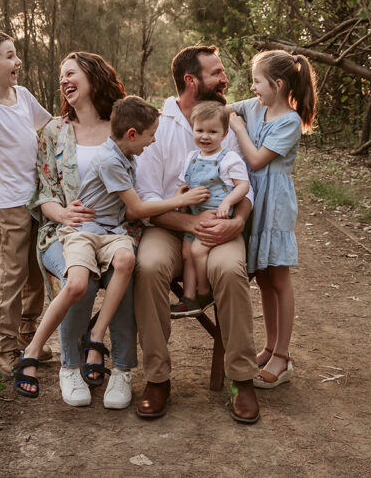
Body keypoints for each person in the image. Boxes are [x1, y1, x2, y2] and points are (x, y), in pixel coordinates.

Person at [16, 96, 209, 399]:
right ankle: (33, 349)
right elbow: (136, 207)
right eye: (151, 134)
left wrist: (173, 194)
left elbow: (129, 214)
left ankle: (96, 335)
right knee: (78, 284)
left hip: (113, 233)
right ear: (132, 135)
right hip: (84, 232)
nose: (154, 140)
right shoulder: (109, 160)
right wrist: (183, 201)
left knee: (125, 261)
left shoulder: (127, 158)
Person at [133, 45, 261, 424]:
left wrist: (237, 222)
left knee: (230, 270)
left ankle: (242, 378)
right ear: (192, 80)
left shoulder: (228, 120)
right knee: (149, 266)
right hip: (170, 225)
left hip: (220, 225)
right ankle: (157, 378)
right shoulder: (157, 124)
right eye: (217, 73)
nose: (225, 79)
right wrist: (188, 223)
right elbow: (148, 198)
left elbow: (245, 185)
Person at [29, 52, 140, 409]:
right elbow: (42, 192)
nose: (63, 81)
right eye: (61, 76)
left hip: (113, 231)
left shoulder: (121, 128)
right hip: (64, 233)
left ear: (93, 77)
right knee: (85, 279)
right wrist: (62, 213)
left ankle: (121, 370)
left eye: (71, 73)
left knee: (125, 267)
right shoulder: (53, 132)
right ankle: (70, 366)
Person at [229, 49, 318, 389]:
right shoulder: (255, 107)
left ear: (278, 84)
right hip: (254, 201)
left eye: (257, 82)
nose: (252, 89)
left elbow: (255, 161)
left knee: (278, 277)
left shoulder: (289, 122)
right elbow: (221, 110)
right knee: (263, 277)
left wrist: (237, 127)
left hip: (275, 203)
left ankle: (282, 355)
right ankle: (268, 346)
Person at [0, 31, 52, 379]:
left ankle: (28, 334)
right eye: (10, 57)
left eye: (15, 55)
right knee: (12, 277)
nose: (17, 62)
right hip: (7, 206)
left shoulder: (23, 96)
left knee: (35, 274)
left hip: (35, 199)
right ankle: (2, 348)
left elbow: (47, 126)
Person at [170, 101, 250, 318]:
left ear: (224, 134)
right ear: (193, 129)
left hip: (216, 215)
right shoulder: (192, 157)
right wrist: (180, 197)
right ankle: (188, 299)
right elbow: (184, 184)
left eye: (212, 132)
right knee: (187, 253)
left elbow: (243, 185)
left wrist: (227, 203)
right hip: (193, 215)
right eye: (200, 130)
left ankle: (204, 292)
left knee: (197, 250)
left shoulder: (228, 159)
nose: (205, 136)